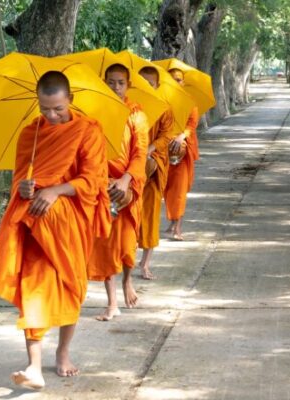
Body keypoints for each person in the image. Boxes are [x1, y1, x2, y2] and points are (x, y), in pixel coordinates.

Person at [0, 71, 111, 390]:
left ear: (69, 99)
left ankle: (63, 352)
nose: (52, 115)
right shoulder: (31, 134)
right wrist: (25, 187)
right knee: (34, 290)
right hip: (35, 224)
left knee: (71, 288)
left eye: (57, 108)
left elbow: (94, 181)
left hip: (71, 223)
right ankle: (34, 367)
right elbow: (19, 180)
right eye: (45, 108)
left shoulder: (87, 131)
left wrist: (56, 190)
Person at [88, 63, 149, 318]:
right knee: (105, 244)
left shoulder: (137, 114)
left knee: (126, 243)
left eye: (120, 83)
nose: (115, 87)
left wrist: (124, 180)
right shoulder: (93, 113)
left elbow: (140, 153)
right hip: (102, 184)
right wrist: (103, 181)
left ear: (128, 85)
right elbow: (89, 152)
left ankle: (127, 280)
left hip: (129, 184)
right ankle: (112, 302)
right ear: (104, 82)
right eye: (110, 82)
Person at [137, 66, 175, 280]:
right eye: (141, 83)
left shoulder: (164, 108)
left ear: (157, 85)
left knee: (150, 215)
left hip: (154, 167)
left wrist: (149, 149)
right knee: (127, 214)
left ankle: (145, 263)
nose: (146, 87)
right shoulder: (131, 106)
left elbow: (166, 135)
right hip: (131, 167)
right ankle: (122, 256)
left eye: (150, 83)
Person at [163, 68, 200, 241]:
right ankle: (172, 223)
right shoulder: (162, 100)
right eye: (172, 79)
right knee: (168, 190)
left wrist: (180, 137)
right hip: (164, 150)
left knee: (179, 191)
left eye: (178, 79)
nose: (176, 82)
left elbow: (192, 124)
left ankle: (178, 228)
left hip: (182, 151)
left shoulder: (190, 102)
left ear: (183, 82)